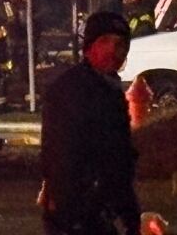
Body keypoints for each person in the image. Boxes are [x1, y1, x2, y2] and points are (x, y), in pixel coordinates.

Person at [39, 12, 140, 235]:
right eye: (105, 41)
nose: (113, 50)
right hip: (82, 211)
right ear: (88, 47)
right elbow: (63, 154)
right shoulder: (73, 90)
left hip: (97, 206)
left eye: (120, 44)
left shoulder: (108, 88)